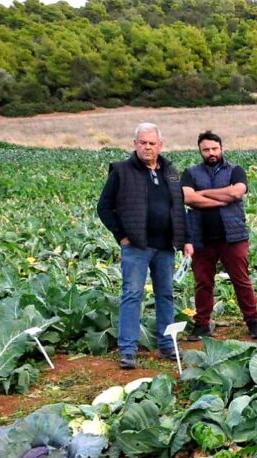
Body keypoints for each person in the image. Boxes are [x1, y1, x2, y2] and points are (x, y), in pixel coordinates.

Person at [97, 122, 193, 370]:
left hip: (165, 247)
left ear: (160, 146)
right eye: (143, 142)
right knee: (132, 295)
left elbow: (179, 209)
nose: (147, 147)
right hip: (137, 246)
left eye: (152, 143)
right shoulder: (121, 170)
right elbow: (104, 207)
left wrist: (187, 240)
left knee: (166, 294)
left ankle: (167, 344)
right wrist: (121, 236)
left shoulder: (170, 171)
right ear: (135, 144)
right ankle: (128, 350)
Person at [180, 131, 257, 341]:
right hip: (201, 237)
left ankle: (253, 321)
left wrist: (203, 193)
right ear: (200, 151)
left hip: (233, 237)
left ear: (221, 149)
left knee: (241, 280)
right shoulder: (190, 172)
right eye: (206, 150)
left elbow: (237, 193)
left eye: (214, 149)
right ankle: (202, 324)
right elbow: (187, 197)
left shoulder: (236, 170)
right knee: (203, 283)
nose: (211, 153)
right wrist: (221, 197)